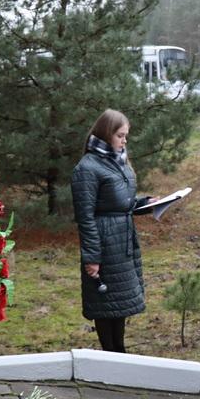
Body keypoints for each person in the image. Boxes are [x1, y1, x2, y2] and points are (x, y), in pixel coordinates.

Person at [71, 109, 154, 353]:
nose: (124, 141)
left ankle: (120, 352)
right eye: (120, 135)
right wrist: (92, 257)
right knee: (104, 304)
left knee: (119, 304)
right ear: (106, 134)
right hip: (104, 244)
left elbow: (122, 203)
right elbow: (85, 218)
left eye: (126, 135)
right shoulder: (87, 168)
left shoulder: (119, 162)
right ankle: (111, 354)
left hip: (123, 242)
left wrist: (146, 203)